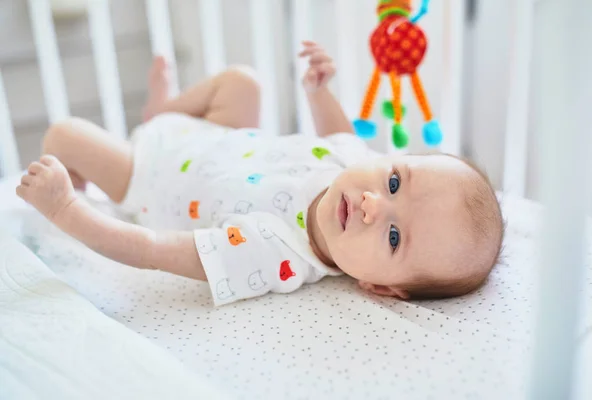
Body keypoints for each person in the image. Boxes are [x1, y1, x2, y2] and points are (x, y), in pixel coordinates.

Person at [16, 41, 503, 306]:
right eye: (395, 182)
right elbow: (340, 137)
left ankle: (133, 139)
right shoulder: (352, 168)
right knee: (242, 82)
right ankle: (163, 112)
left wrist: (66, 208)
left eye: (395, 238)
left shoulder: (275, 254)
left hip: (146, 174)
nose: (376, 205)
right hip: (217, 134)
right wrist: (318, 93)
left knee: (63, 136)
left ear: (377, 288)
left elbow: (151, 251)